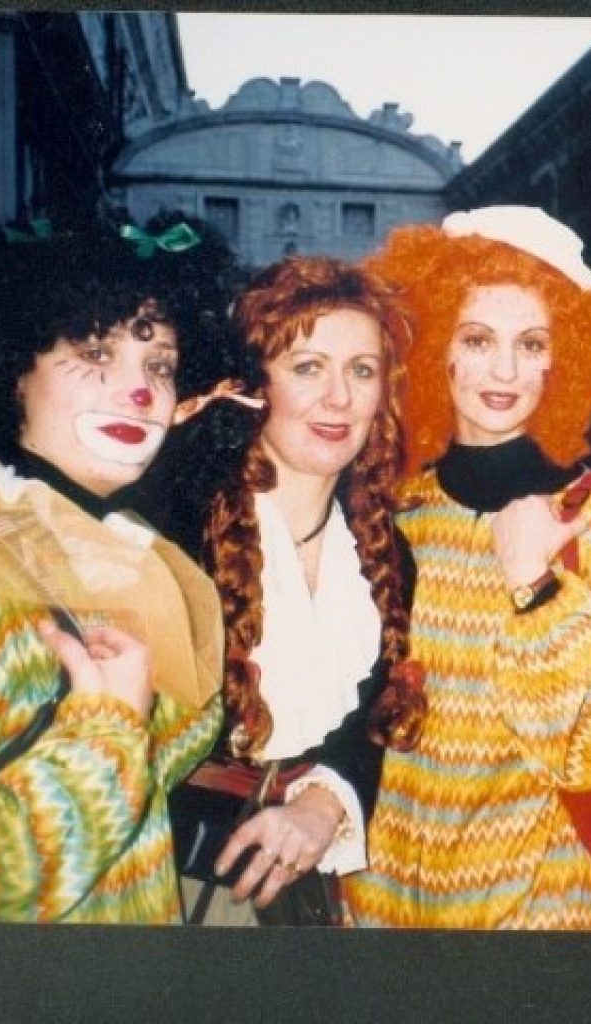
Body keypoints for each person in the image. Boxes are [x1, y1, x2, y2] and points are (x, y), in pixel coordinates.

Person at [343, 206, 591, 930]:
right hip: (382, 907)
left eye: (531, 344)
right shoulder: (395, 511)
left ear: (562, 360)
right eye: (477, 339)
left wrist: (539, 590)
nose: (504, 370)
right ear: (437, 348)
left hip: (538, 913)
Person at [0, 213, 232, 922]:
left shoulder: (125, 550)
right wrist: (105, 735)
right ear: (12, 372)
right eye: (94, 352)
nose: (140, 392)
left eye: (160, 365)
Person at [155, 255, 420, 925]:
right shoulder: (182, 527)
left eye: (362, 371)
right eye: (308, 368)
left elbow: (372, 717)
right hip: (177, 879)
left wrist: (323, 804)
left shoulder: (387, 551)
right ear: (255, 384)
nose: (339, 397)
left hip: (311, 892)